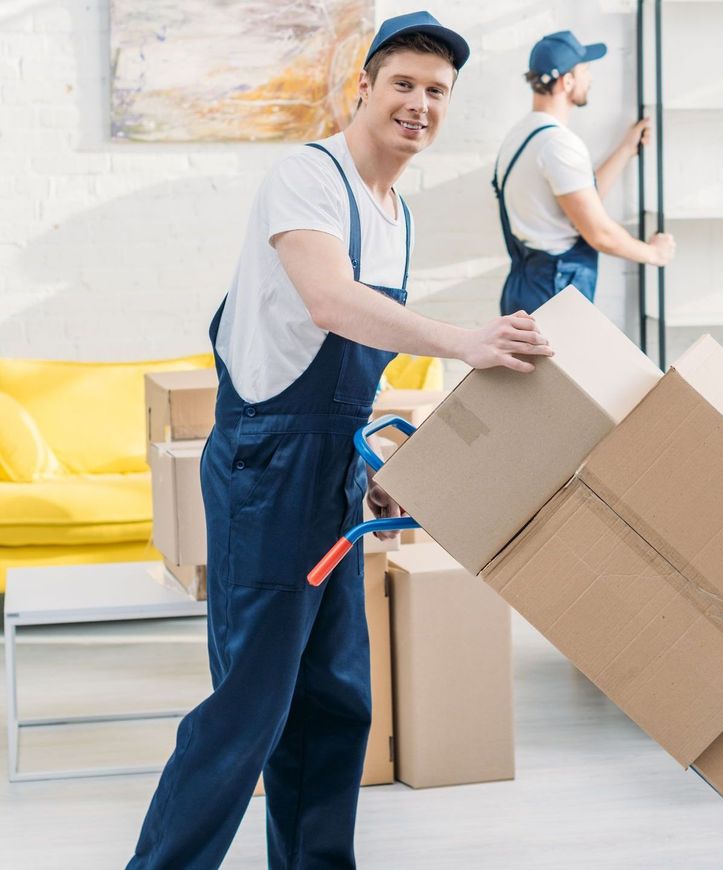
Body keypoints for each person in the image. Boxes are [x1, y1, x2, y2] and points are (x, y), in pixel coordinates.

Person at [127, 12, 552, 869]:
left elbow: (359, 350)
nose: (419, 105)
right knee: (251, 709)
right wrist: (465, 339)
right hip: (269, 467)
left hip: (327, 471)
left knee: (336, 702)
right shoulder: (308, 177)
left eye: (437, 92)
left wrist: (377, 461)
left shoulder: (393, 211)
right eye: (403, 84)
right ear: (363, 88)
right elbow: (329, 301)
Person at [493, 29, 676, 316]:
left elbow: (577, 202)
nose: (590, 78)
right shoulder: (558, 144)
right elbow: (599, 233)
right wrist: (654, 254)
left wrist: (626, 149)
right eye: (585, 70)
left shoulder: (520, 135)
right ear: (567, 81)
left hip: (524, 285)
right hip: (555, 289)